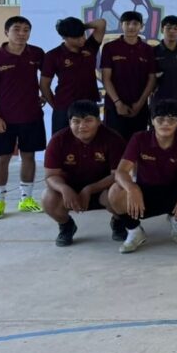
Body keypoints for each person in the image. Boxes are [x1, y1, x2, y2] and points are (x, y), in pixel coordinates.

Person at [108, 99, 177, 253]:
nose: (165, 124)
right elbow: (121, 171)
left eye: (171, 119)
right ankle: (134, 231)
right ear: (152, 121)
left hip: (175, 193)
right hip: (146, 192)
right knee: (114, 192)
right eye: (160, 119)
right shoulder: (139, 138)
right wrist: (132, 188)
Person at [0, 15, 47, 219]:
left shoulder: (36, 53)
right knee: (2, 159)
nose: (21, 33)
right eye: (16, 29)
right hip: (4, 120)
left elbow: (47, 76)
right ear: (6, 32)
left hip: (32, 116)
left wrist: (44, 93)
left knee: (28, 157)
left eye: (26, 29)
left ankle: (26, 199)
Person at [42, 100, 125, 246]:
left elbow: (118, 175)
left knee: (122, 192)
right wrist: (64, 188)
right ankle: (66, 226)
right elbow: (50, 175)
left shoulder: (113, 139)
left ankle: (119, 222)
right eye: (76, 121)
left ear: (99, 121)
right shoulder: (58, 140)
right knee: (48, 198)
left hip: (103, 190)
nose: (82, 126)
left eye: (88, 120)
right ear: (69, 122)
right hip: (71, 192)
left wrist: (89, 189)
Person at [40, 16, 106, 135]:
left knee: (91, 144)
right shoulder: (53, 55)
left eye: (83, 35)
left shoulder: (90, 46)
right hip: (65, 107)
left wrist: (80, 27)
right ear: (65, 37)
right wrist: (56, 106)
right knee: (61, 144)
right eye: (76, 37)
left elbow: (101, 23)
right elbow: (44, 84)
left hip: (89, 105)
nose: (82, 39)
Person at [100, 10, 156, 141]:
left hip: (139, 107)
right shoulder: (110, 47)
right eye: (127, 23)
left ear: (141, 26)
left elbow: (152, 78)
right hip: (114, 107)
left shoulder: (148, 50)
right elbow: (106, 78)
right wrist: (118, 103)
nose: (131, 27)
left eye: (135, 23)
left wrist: (140, 103)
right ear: (121, 25)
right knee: (113, 144)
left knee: (137, 146)